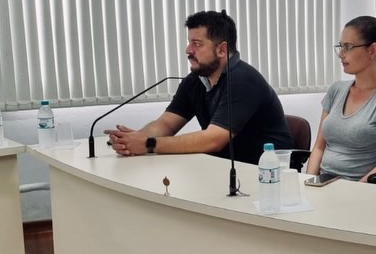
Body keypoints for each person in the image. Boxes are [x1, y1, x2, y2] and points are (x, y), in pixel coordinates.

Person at [105, 10, 293, 164]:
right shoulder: (196, 80)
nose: (188, 50)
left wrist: (149, 144)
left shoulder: (243, 81)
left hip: (266, 173)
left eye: (196, 44)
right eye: (189, 42)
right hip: (222, 168)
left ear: (221, 50)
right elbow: (166, 124)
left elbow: (214, 139)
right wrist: (131, 140)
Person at [307, 16, 376, 182]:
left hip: (360, 188)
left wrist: (354, 191)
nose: (341, 54)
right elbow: (319, 148)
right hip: (324, 184)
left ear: (372, 50)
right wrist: (309, 182)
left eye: (348, 47)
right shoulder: (336, 90)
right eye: (340, 47)